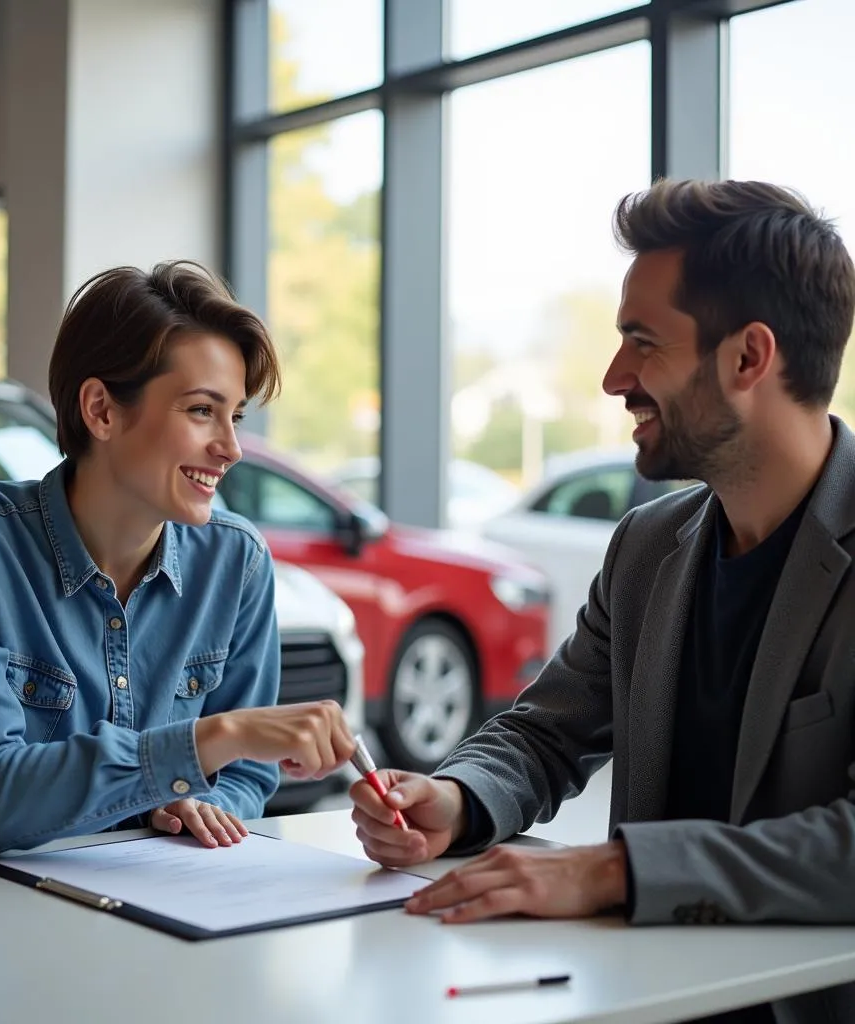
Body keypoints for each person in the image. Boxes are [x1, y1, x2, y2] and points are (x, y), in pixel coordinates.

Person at [350, 180, 855, 1024]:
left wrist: (608, 869)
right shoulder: (647, 546)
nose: (614, 377)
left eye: (641, 342)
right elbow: (545, 734)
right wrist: (460, 798)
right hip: (636, 1003)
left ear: (747, 358)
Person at [0, 260, 354, 860]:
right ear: (101, 410)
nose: (232, 448)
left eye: (235, 416)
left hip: (125, 889)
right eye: (200, 410)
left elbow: (243, 778)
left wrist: (202, 808)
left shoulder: (235, 561)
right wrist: (213, 739)